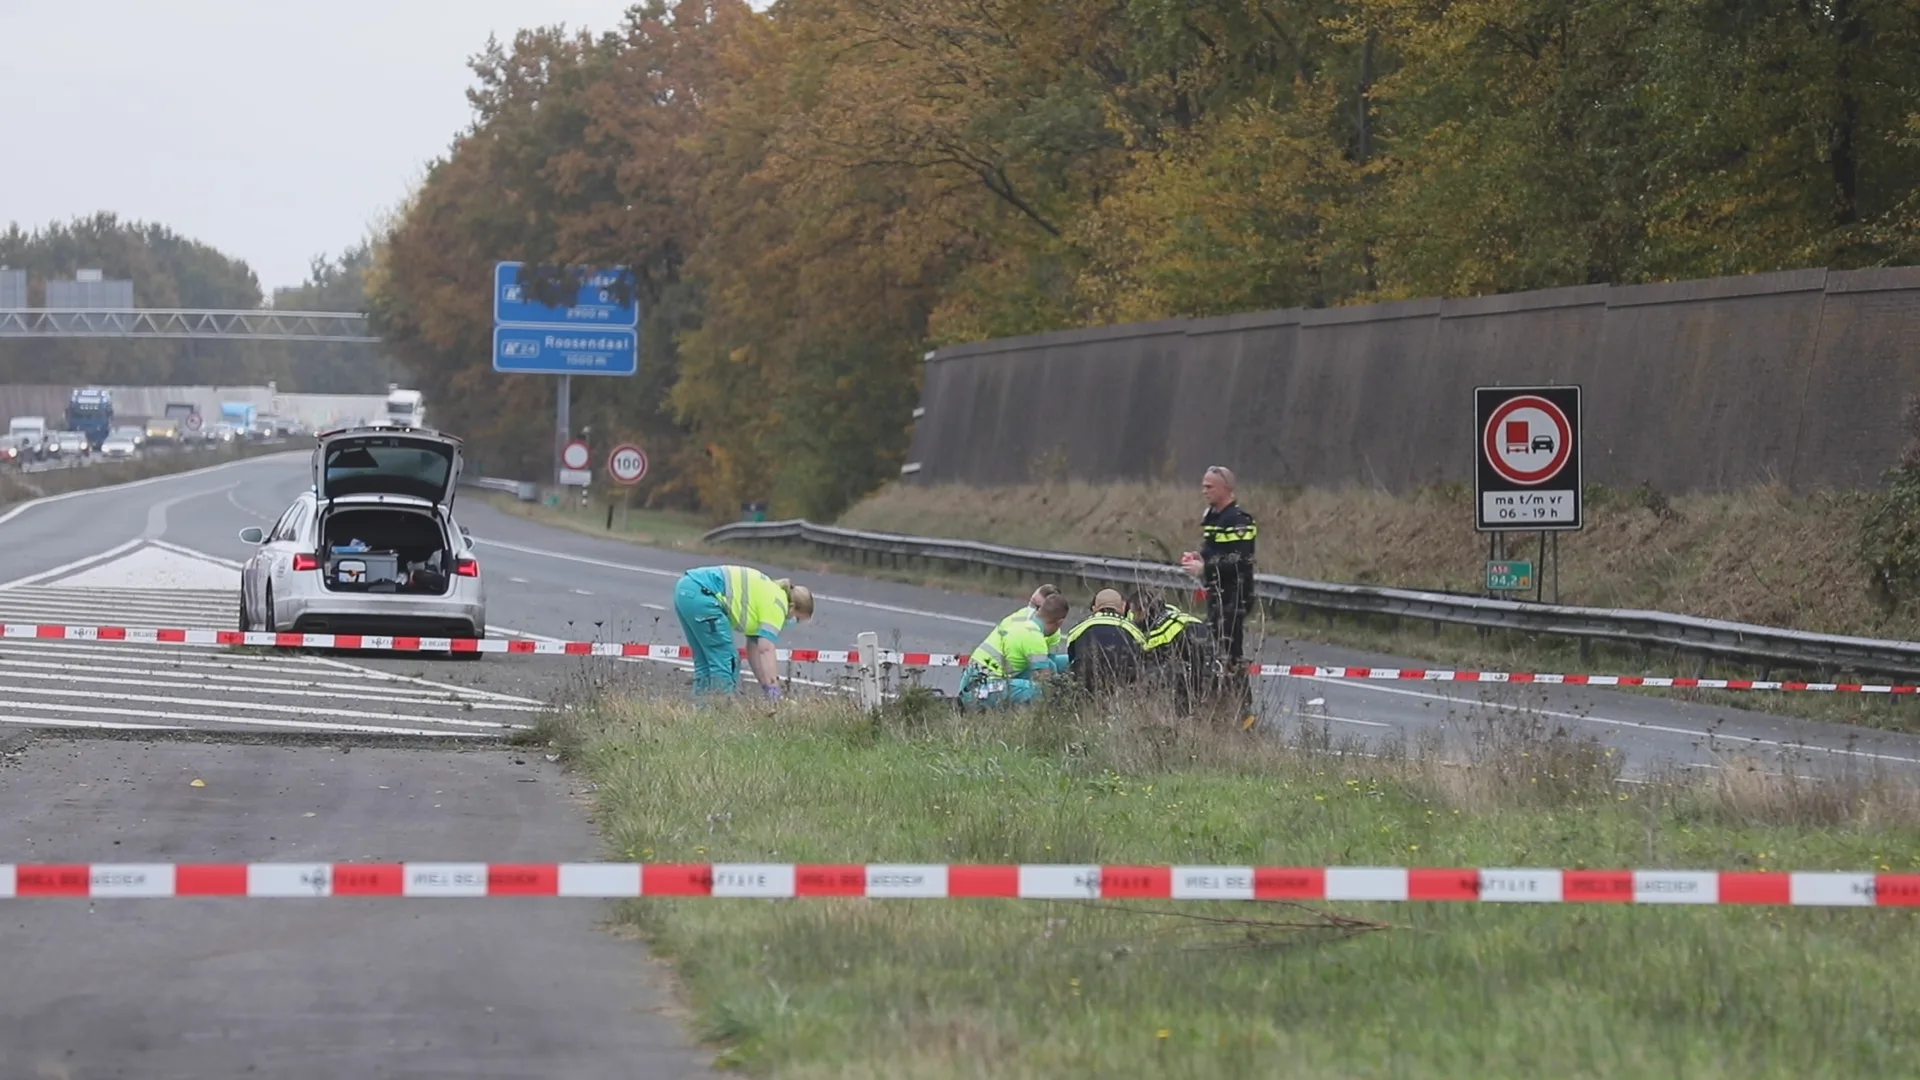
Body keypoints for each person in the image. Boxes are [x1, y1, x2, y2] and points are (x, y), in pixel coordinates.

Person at [1182, 466, 1257, 727]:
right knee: (1214, 651)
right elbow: (1215, 550)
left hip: (1235, 595)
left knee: (1229, 652)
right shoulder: (1213, 517)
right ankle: (1220, 709)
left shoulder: (1239, 520)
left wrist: (1206, 567)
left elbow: (1241, 559)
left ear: (1226, 489)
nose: (1204, 491)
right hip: (1217, 592)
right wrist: (1198, 557)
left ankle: (1243, 713)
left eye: (1209, 486)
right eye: (1203, 485)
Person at [672, 564, 815, 700]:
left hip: (687, 588)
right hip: (705, 595)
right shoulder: (778, 605)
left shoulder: (770, 593)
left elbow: (754, 652)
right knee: (727, 661)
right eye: (797, 618)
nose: (793, 622)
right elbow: (766, 649)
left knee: (705, 661)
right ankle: (720, 711)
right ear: (792, 606)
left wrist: (765, 685)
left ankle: (701, 711)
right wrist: (774, 689)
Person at [957, 592, 1071, 710]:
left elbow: (1049, 665)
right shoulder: (1034, 638)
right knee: (1043, 692)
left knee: (1051, 665)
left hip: (973, 685)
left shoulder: (1022, 624)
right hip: (980, 690)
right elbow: (1046, 680)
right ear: (1060, 622)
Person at [1129, 587, 1217, 718]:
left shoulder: (1162, 630)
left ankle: (1185, 718)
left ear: (1146, 610)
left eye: (1136, 613)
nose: (1135, 618)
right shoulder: (1169, 610)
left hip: (1193, 651)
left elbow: (1148, 652)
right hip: (1208, 641)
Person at [1064, 589, 1146, 695]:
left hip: (1086, 687)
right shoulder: (1135, 631)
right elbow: (1143, 661)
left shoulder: (1078, 629)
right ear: (1123, 607)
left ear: (1094, 608)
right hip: (1122, 690)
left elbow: (1071, 659)